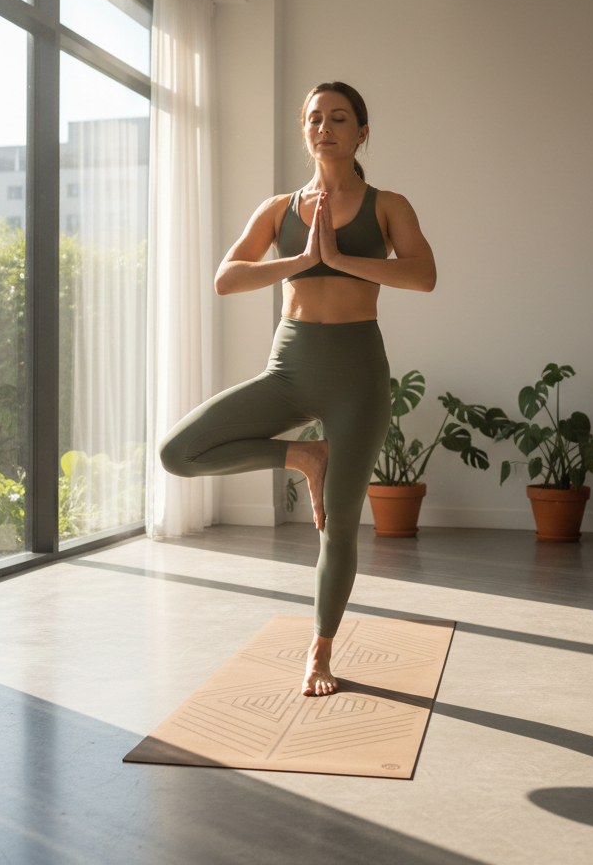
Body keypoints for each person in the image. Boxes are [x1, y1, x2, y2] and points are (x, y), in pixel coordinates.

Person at [159, 81, 436, 696]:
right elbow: (226, 279)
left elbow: (423, 275)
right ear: (303, 130)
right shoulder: (279, 208)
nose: (324, 127)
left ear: (362, 132)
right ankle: (302, 455)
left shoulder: (388, 204)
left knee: (338, 526)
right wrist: (300, 260)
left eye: (339, 118)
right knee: (178, 452)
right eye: (314, 118)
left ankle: (321, 650)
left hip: (358, 375)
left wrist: (341, 259)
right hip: (290, 367)